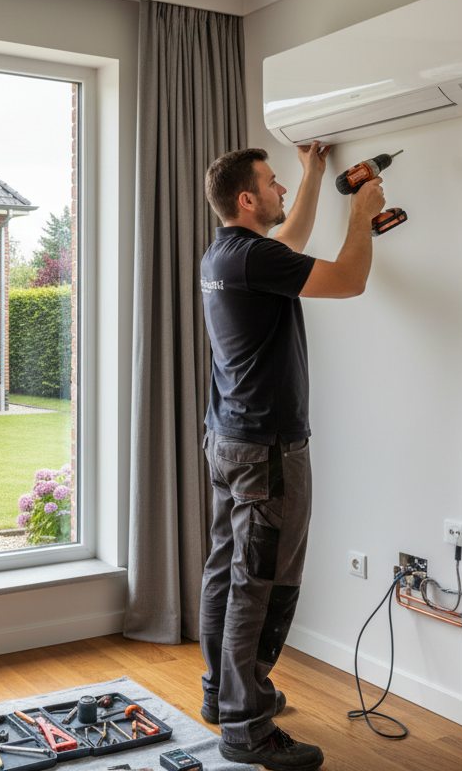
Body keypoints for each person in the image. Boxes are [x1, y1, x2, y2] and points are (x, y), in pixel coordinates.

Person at [198, 143, 385, 771]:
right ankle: (247, 727)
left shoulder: (226, 255)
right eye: (273, 183)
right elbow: (351, 280)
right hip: (268, 446)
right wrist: (362, 211)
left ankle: (221, 695)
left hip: (228, 438)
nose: (279, 192)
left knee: (228, 568)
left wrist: (310, 174)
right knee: (264, 578)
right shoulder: (253, 257)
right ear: (247, 199)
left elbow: (291, 239)